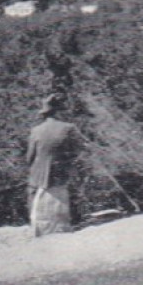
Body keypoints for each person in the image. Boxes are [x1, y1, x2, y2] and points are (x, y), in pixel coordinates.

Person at [27, 93, 81, 237]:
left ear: (44, 114)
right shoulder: (68, 128)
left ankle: (39, 229)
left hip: (38, 175)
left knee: (36, 197)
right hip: (61, 173)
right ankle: (65, 224)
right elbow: (75, 152)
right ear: (59, 112)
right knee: (63, 197)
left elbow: (30, 157)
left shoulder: (36, 130)